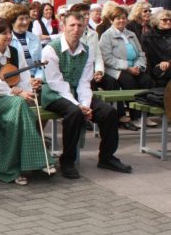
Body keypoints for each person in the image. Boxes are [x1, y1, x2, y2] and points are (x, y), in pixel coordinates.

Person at [42, 12, 132, 179]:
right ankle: (67, 161)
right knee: (74, 113)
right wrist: (79, 106)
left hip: (78, 93)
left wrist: (84, 103)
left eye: (80, 25)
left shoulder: (87, 50)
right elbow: (56, 83)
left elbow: (85, 81)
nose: (76, 29)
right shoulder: (50, 49)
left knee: (108, 112)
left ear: (85, 27)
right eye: (72, 25)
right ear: (63, 26)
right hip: (54, 94)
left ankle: (106, 157)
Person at [0, 18, 54, 185]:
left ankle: (9, 167)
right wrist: (13, 92)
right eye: (3, 33)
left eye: (9, 32)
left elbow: (23, 78)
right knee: (18, 105)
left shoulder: (14, 51)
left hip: (9, 98)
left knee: (17, 111)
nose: (8, 36)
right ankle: (37, 161)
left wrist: (26, 90)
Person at [100, 5, 155, 129]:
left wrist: (139, 66)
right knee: (129, 82)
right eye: (118, 18)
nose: (121, 21)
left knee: (147, 80)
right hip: (116, 69)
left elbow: (141, 53)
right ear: (111, 20)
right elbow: (107, 58)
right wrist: (127, 67)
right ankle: (135, 116)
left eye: (124, 18)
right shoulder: (106, 36)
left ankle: (145, 115)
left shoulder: (131, 34)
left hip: (134, 67)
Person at [6, 5, 43, 79]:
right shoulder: (7, 40)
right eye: (21, 19)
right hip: (15, 79)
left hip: (34, 77)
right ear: (13, 22)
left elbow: (40, 63)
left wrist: (38, 78)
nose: (25, 22)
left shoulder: (35, 38)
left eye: (27, 18)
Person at [142, 9, 171, 87]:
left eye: (170, 20)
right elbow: (146, 57)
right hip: (156, 69)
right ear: (157, 21)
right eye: (164, 20)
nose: (168, 22)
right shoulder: (147, 37)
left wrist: (168, 62)